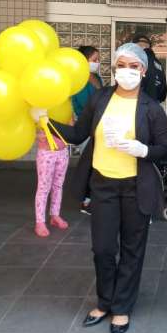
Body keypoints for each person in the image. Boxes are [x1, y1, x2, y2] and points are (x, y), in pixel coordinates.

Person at [44, 43, 167, 333]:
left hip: (136, 187)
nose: (127, 71)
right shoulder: (100, 99)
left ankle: (122, 307)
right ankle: (105, 301)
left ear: (143, 70)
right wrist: (45, 120)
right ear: (113, 70)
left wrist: (142, 149)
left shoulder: (151, 108)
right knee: (102, 248)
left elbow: (164, 149)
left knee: (131, 249)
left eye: (133, 66)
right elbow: (78, 134)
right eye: (120, 66)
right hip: (103, 185)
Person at [72, 46, 104, 214]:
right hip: (86, 126)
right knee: (87, 164)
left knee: (96, 164)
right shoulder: (79, 80)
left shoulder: (97, 77)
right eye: (94, 60)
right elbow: (85, 105)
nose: (97, 63)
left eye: (98, 60)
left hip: (98, 125)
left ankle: (92, 198)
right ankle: (85, 200)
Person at [32, 119, 70, 238]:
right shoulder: (42, 107)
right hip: (46, 153)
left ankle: (55, 215)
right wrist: (40, 132)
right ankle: (40, 222)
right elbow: (34, 128)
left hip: (63, 152)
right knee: (43, 188)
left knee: (58, 186)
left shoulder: (65, 107)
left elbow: (70, 126)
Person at [133, 34, 167, 103]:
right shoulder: (157, 62)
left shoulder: (136, 60)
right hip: (155, 102)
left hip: (139, 102)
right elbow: (163, 87)